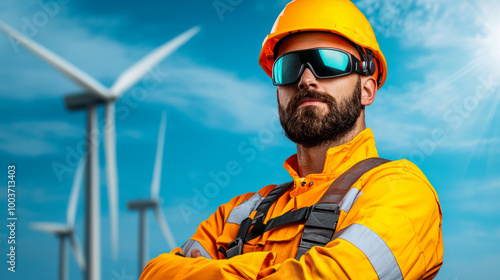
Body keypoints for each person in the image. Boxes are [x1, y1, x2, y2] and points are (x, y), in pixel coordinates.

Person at [140, 0, 444, 279]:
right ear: (278, 94)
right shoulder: (239, 212)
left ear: (367, 89)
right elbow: (153, 273)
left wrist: (220, 268)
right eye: (289, 67)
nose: (306, 79)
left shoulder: (402, 192)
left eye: (328, 63)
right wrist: (260, 271)